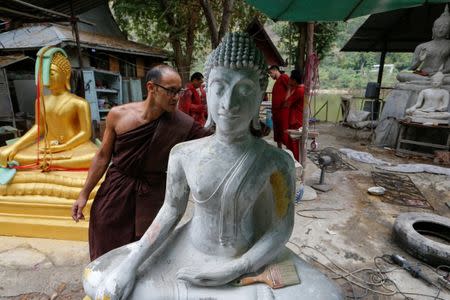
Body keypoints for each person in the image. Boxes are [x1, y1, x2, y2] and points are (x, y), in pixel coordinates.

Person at [83, 32, 342, 300]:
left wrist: (236, 268)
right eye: (220, 88)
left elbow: (280, 229)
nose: (229, 103)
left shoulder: (276, 162)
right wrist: (131, 264)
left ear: (258, 101)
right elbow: (170, 211)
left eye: (244, 90)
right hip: (188, 253)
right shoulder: (183, 154)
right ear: (207, 94)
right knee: (102, 280)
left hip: (248, 258)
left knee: (328, 296)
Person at [71, 64, 210, 261]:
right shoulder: (118, 115)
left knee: (146, 255)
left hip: (152, 195)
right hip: (115, 192)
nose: (176, 97)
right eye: (171, 91)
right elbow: (102, 157)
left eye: (179, 91)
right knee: (105, 243)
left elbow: (214, 142)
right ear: (151, 88)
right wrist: (83, 194)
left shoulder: (183, 125)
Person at [0, 47, 97, 169]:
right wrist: (15, 146)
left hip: (75, 146)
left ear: (66, 74)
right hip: (47, 146)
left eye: (51, 73)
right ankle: (52, 163)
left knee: (93, 158)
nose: (47, 80)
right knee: (5, 152)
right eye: (44, 75)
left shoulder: (79, 103)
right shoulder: (41, 101)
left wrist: (64, 146)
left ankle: (52, 163)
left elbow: (85, 133)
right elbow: (39, 127)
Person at [397, 5, 450, 84]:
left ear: (448, 30)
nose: (440, 30)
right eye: (438, 27)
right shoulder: (422, 46)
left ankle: (429, 81)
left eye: (445, 27)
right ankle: (428, 81)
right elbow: (412, 68)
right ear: (433, 29)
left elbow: (449, 68)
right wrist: (419, 60)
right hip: (423, 74)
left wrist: (439, 73)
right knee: (400, 75)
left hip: (441, 75)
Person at [285, 69, 305, 162]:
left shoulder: (299, 90)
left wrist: (289, 88)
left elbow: (286, 103)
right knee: (296, 143)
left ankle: (295, 162)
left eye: (290, 79)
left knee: (294, 143)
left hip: (296, 119)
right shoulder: (302, 89)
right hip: (299, 118)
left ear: (294, 80)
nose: (289, 81)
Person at [269, 65, 290, 148]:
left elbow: (290, 88)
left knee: (283, 131)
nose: (270, 75)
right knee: (277, 133)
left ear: (275, 70)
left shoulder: (284, 77)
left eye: (270, 73)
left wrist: (286, 100)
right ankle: (279, 149)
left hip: (282, 110)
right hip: (276, 112)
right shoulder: (276, 82)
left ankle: (288, 150)